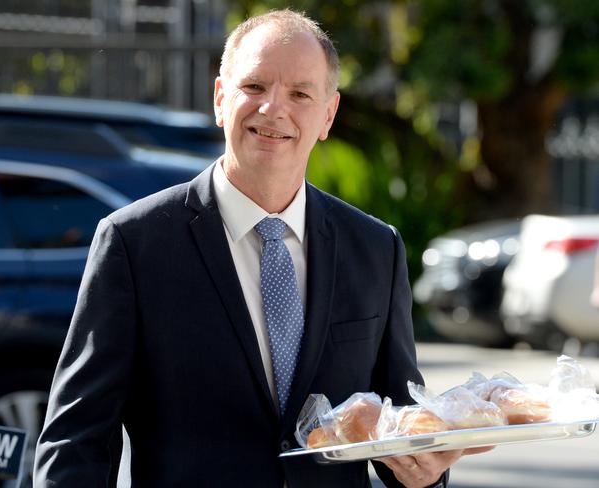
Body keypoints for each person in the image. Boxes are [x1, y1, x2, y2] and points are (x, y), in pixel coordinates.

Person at [34, 9, 484, 488]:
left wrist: (425, 474)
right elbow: (76, 441)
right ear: (220, 98)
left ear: (328, 115)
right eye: (254, 87)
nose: (274, 109)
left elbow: (397, 428)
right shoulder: (135, 243)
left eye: (300, 94)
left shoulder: (375, 249)